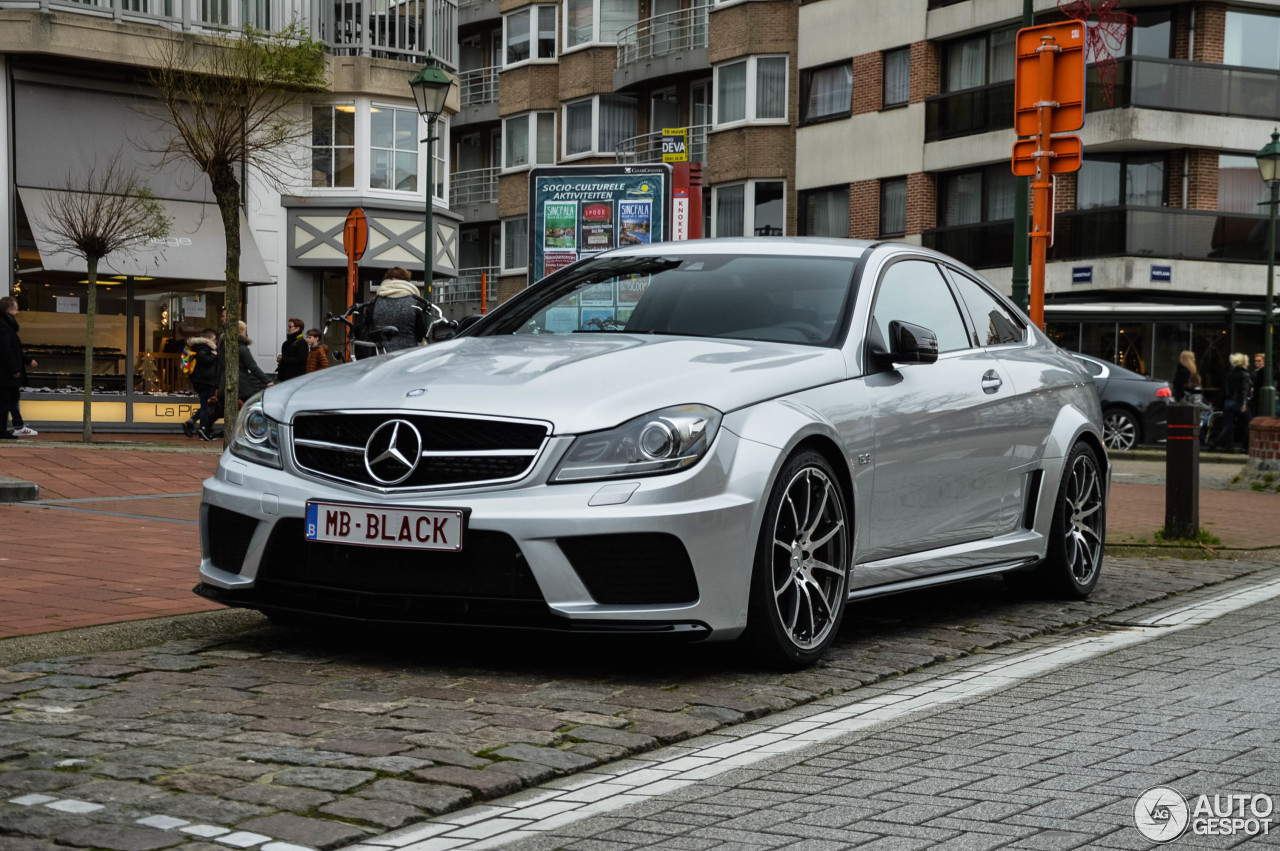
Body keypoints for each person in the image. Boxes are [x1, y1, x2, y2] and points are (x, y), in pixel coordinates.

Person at [209, 321, 273, 440]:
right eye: (244, 330)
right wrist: (267, 380)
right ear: (240, 331)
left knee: (222, 410)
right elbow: (252, 367)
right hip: (240, 384)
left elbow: (220, 366)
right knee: (255, 405)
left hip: (224, 383)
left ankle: (205, 428)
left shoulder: (224, 346)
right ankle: (261, 431)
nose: (246, 332)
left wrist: (218, 385)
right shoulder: (242, 348)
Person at [357, 266, 431, 357]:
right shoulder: (416, 303)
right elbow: (421, 334)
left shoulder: (375, 302)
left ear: (386, 280)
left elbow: (368, 328)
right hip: (408, 355)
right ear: (406, 281)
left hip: (380, 355)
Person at [0, 296, 38, 438]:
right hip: (6, 373)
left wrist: (27, 360)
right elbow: (6, 350)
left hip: (7, 372)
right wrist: (14, 369)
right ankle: (12, 427)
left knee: (9, 400)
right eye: (16, 309)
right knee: (7, 401)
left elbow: (13, 348)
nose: (18, 312)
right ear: (9, 310)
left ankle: (16, 425)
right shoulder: (4, 326)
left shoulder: (7, 325)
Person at [1210, 352, 1252, 452]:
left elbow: (1224, 390)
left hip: (1228, 403)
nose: (1247, 363)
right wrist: (1244, 404)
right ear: (1242, 363)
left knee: (1228, 425)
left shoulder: (1229, 374)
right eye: (1246, 362)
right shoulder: (1245, 374)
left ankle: (1214, 442)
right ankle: (1245, 447)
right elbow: (1244, 391)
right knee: (1249, 423)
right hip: (1238, 403)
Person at [182, 329, 219, 440]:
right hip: (205, 380)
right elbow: (204, 359)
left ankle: (191, 421)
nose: (215, 342)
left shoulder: (196, 346)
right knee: (205, 406)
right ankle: (203, 432)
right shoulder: (203, 347)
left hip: (199, 380)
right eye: (214, 339)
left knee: (205, 405)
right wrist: (214, 356)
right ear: (208, 339)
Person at [275, 317, 308, 382]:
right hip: (284, 377)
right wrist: (281, 359)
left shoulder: (302, 343)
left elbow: (300, 359)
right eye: (288, 326)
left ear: (297, 328)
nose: (288, 328)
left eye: (290, 327)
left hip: (296, 378)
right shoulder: (286, 343)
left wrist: (284, 359)